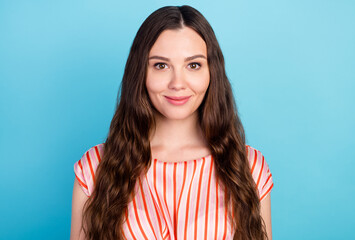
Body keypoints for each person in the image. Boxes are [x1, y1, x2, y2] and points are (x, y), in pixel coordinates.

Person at [70, 5, 273, 240]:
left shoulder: (249, 167)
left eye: (193, 65)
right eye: (161, 65)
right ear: (141, 73)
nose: (177, 83)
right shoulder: (94, 168)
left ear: (211, 72)